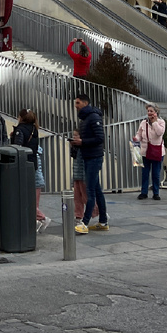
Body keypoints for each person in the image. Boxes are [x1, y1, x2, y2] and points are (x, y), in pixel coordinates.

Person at [72, 93, 108, 233]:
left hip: (94, 157)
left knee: (90, 190)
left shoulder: (93, 117)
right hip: (89, 156)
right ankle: (103, 220)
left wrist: (83, 142)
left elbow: (100, 137)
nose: (76, 106)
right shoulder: (85, 119)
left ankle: (85, 222)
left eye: (78, 103)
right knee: (97, 190)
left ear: (85, 103)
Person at [11, 108, 48, 231]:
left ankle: (41, 218)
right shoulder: (34, 129)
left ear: (21, 117)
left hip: (23, 165)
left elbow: (18, 148)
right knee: (31, 198)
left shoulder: (20, 130)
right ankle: (36, 221)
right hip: (32, 165)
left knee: (24, 198)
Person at [134, 104, 166, 201]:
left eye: (151, 111)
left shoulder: (161, 122)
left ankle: (156, 193)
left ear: (156, 112)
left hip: (157, 151)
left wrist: (155, 122)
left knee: (156, 173)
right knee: (145, 173)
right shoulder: (143, 122)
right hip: (145, 151)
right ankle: (144, 192)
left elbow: (160, 133)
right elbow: (139, 134)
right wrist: (136, 138)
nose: (149, 113)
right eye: (148, 111)